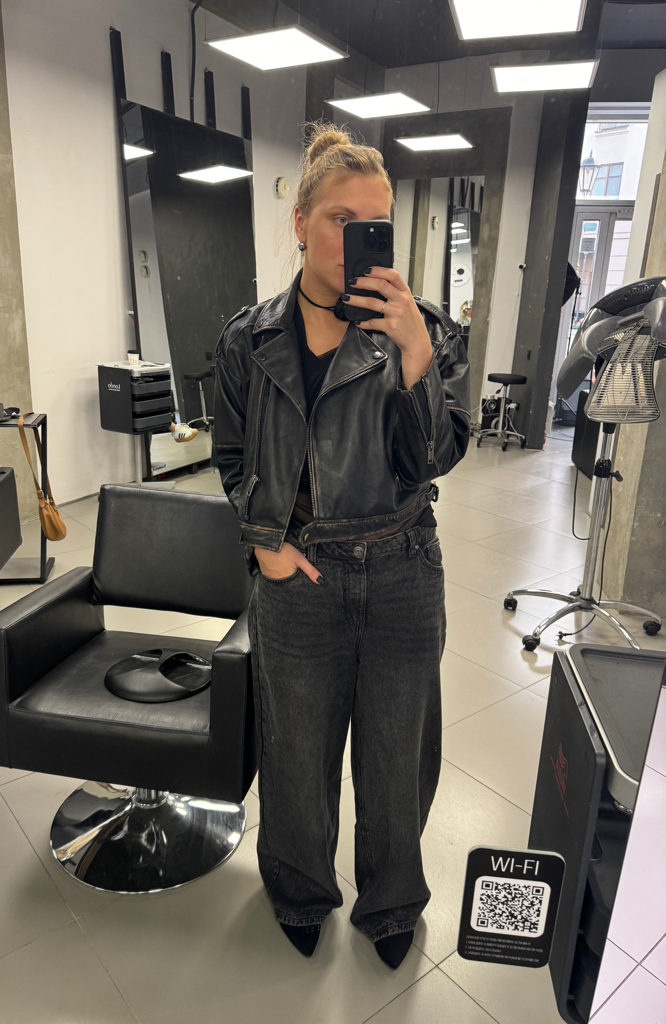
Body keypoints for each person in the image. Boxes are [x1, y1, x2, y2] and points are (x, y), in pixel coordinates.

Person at [212, 123, 470, 969]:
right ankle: (298, 889)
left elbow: (435, 460)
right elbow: (232, 457)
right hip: (299, 574)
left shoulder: (423, 330)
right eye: (339, 219)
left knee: (399, 756)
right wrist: (266, 546)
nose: (356, 239)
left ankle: (392, 903)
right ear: (300, 222)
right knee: (295, 754)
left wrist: (415, 357)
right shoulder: (248, 339)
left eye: (374, 224)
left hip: (402, 566)